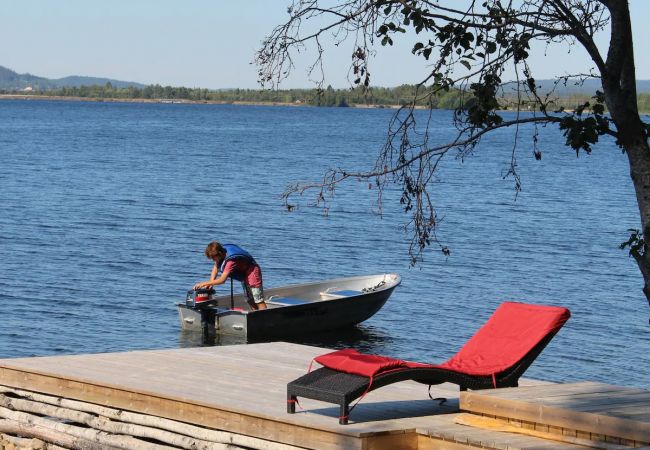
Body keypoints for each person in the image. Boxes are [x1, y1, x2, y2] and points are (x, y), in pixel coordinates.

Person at [193, 241, 267, 311]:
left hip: (252, 272)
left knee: (258, 299)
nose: (213, 260)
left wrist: (204, 283)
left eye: (213, 258)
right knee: (249, 300)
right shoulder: (220, 255)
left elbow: (222, 280)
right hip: (244, 274)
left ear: (220, 253)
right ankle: (255, 315)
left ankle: (265, 317)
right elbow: (215, 267)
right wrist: (210, 283)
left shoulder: (230, 262)